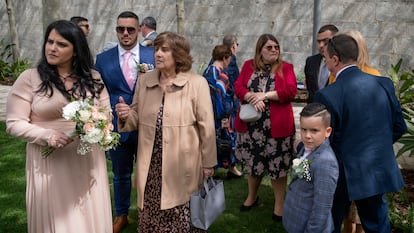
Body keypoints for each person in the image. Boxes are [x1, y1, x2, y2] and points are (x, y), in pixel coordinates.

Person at [6, 20, 112, 233]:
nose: (52, 48)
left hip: (86, 160)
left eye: (61, 44)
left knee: (87, 216)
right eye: (50, 41)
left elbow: (106, 115)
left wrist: (100, 126)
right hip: (50, 162)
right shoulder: (30, 78)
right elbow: (13, 123)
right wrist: (47, 135)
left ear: (75, 50)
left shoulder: (93, 78)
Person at [115, 31, 217, 232]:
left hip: (183, 163)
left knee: (181, 213)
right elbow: (137, 116)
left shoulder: (197, 83)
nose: (158, 54)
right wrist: (126, 115)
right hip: (151, 164)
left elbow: (207, 126)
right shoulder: (145, 80)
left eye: (165, 50)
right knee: (152, 214)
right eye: (156, 49)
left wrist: (208, 163)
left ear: (178, 55)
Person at [314, 34, 407, 233]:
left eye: (327, 58)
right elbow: (399, 126)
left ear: (335, 59)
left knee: (329, 224)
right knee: (378, 226)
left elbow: (321, 140)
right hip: (374, 169)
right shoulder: (383, 84)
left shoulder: (328, 94)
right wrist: (376, 147)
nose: (326, 62)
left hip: (339, 172)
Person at [95, 11, 155, 233]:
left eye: (130, 29)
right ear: (116, 30)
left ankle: (147, 212)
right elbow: (98, 93)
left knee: (148, 173)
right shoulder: (103, 60)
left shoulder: (153, 55)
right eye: (121, 29)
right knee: (120, 174)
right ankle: (121, 214)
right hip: (118, 129)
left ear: (139, 29)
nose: (126, 33)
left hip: (148, 126)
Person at [234, 34, 297, 221]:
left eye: (276, 47)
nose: (274, 50)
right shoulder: (248, 66)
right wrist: (251, 96)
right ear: (260, 49)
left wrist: (266, 95)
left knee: (278, 168)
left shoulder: (286, 68)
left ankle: (279, 205)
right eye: (269, 47)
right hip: (252, 129)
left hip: (277, 129)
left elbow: (291, 91)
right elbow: (238, 87)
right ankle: (251, 197)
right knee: (253, 165)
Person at [335, 29, 381, 233]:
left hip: (365, 161)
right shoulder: (335, 75)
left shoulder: (374, 76)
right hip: (343, 159)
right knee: (344, 212)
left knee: (363, 213)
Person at [283, 102, 339, 233]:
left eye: (314, 130)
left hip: (308, 226)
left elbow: (321, 208)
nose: (307, 135)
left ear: (328, 131)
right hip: (296, 219)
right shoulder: (308, 148)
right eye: (303, 129)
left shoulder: (326, 162)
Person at [203, 45, 243, 178]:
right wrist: (224, 116)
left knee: (211, 141)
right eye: (229, 59)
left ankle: (212, 167)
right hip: (220, 115)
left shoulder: (207, 71)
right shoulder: (221, 75)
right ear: (225, 58)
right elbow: (220, 97)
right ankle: (230, 167)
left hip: (208, 112)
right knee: (225, 141)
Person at [304, 24, 338, 103]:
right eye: (319, 41)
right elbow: (311, 91)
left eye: (325, 41)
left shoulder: (341, 62)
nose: (321, 45)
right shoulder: (311, 61)